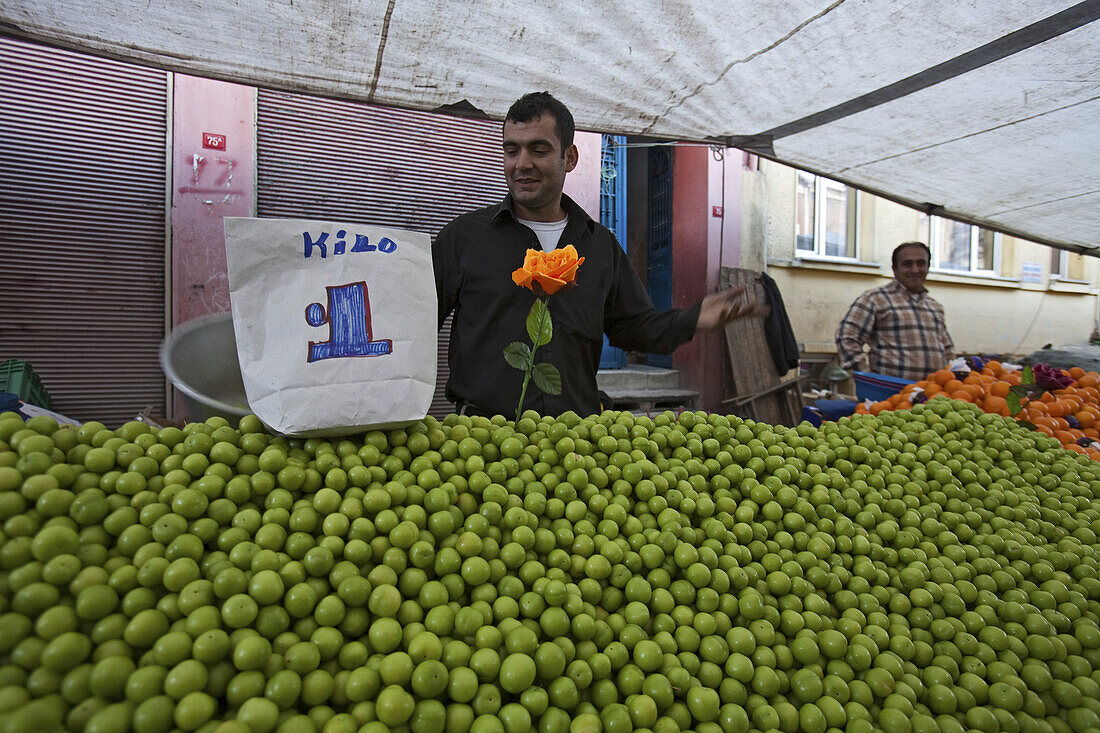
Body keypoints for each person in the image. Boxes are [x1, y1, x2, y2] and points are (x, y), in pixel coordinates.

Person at [433, 91, 764, 417]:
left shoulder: (599, 245)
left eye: (539, 149)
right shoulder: (465, 238)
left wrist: (692, 318)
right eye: (512, 150)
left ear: (570, 157)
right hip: (480, 446)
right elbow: (415, 320)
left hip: (573, 444)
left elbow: (633, 327)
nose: (522, 164)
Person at [835, 241, 954, 381]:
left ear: (928, 267)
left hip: (931, 395)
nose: (915, 270)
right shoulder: (874, 299)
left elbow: (948, 350)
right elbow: (846, 337)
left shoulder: (935, 307)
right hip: (890, 396)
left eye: (921, 263)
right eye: (907, 264)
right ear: (894, 269)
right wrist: (867, 375)